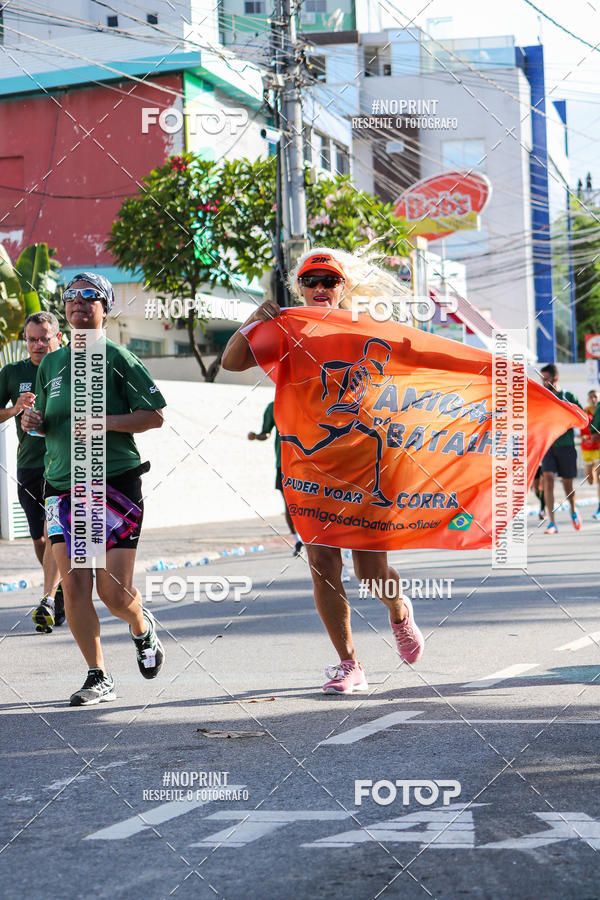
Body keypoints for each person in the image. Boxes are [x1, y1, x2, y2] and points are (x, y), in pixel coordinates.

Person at [222, 248, 424, 694]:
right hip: (310, 469)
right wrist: (254, 319)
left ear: (342, 287)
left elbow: (420, 367)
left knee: (371, 571)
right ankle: (349, 664)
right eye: (310, 281)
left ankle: (399, 612)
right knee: (322, 564)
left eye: (329, 281)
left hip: (364, 465)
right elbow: (231, 362)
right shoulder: (285, 329)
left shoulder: (367, 328)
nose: (319, 288)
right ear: (299, 288)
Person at [22, 273, 167, 706]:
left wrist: (105, 422)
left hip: (114, 484)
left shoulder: (118, 357)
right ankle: (98, 675)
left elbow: (155, 415)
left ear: (105, 308)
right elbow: (47, 422)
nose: (79, 302)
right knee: (74, 587)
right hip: (62, 486)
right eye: (72, 296)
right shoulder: (51, 364)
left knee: (114, 593)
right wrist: (34, 422)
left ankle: (141, 626)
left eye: (90, 296)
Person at [0, 311, 64, 632]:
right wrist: (15, 408)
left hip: (62, 465)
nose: (38, 345)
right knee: (39, 536)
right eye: (32, 339)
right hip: (28, 465)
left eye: (44, 338)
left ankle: (50, 597)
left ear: (58, 337)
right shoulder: (13, 373)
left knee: (55, 532)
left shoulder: (67, 368)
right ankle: (57, 586)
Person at [248, 400, 303, 556]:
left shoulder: (304, 400)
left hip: (304, 461)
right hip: (283, 463)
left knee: (308, 502)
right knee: (289, 504)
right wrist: (256, 436)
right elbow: (266, 433)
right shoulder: (273, 406)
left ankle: (313, 539)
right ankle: (297, 540)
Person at [539, 364, 582, 534]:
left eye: (546, 379)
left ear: (555, 378)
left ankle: (573, 510)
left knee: (567, 486)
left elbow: (581, 416)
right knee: (548, 481)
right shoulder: (541, 396)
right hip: (548, 446)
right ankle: (552, 523)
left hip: (566, 446)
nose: (543, 382)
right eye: (542, 379)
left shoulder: (568, 396)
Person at [580, 389, 600, 520]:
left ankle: (599, 508)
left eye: (595, 397)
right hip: (586, 450)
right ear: (588, 399)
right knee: (591, 480)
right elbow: (579, 431)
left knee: (599, 478)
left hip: (598, 448)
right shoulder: (584, 412)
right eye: (591, 397)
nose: (593, 399)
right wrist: (582, 437)